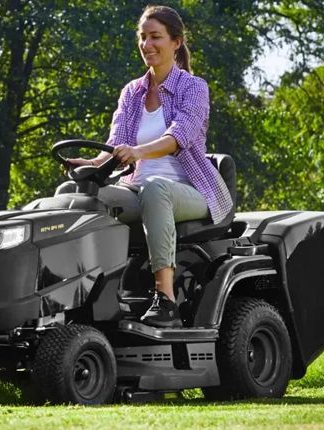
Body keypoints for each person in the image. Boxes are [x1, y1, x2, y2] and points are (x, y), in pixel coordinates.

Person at [70, 5, 234, 328]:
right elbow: (114, 147)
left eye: (155, 37)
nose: (147, 44)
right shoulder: (131, 93)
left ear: (176, 41)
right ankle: (82, 295)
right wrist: (88, 164)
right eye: (142, 37)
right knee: (80, 198)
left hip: (191, 190)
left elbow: (178, 137)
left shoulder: (194, 88)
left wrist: (137, 151)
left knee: (155, 189)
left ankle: (166, 301)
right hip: (137, 189)